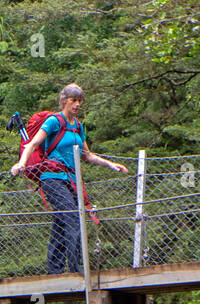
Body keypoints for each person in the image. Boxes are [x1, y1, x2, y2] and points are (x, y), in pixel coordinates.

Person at [10, 83, 128, 274]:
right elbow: (33, 144)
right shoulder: (54, 121)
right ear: (64, 100)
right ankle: (76, 267)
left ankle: (54, 270)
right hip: (52, 178)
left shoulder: (78, 126)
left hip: (71, 180)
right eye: (74, 100)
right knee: (74, 217)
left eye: (80, 101)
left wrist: (110, 164)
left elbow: (87, 155)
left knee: (61, 221)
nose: (77, 104)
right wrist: (21, 163)